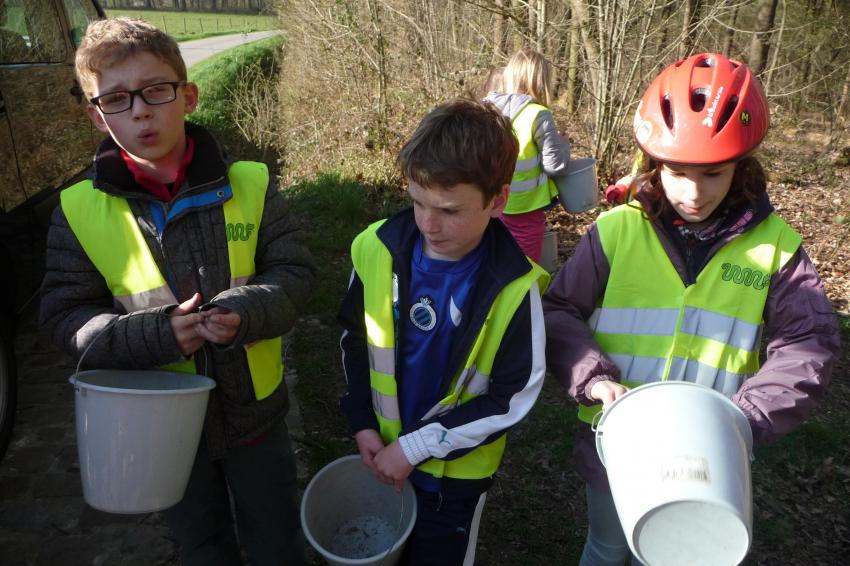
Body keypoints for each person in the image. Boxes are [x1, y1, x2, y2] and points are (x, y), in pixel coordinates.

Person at [542, 53, 839, 566]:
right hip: (618, 441)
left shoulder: (775, 248)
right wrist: (593, 379)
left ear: (741, 165)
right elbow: (559, 310)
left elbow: (809, 343)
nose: (693, 193)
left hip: (708, 456)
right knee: (608, 547)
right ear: (655, 162)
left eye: (713, 174)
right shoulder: (617, 231)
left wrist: (744, 418)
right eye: (677, 172)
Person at [39, 18, 316, 566]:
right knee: (199, 544)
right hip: (161, 428)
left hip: (254, 417)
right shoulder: (78, 212)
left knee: (277, 540)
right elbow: (65, 317)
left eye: (155, 91)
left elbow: (296, 273)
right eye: (117, 99)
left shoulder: (250, 184)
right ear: (97, 115)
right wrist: (155, 335)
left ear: (186, 96)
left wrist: (247, 311)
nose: (140, 110)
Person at [338, 98, 548, 566]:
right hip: (382, 455)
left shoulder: (514, 288)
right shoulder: (375, 249)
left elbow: (512, 398)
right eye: (418, 202)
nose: (429, 224)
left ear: (498, 201)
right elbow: (354, 339)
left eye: (450, 211)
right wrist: (361, 421)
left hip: (453, 479)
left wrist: (415, 447)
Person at [484, 47, 570, 263]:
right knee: (524, 271)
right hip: (525, 209)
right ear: (541, 81)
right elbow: (555, 166)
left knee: (493, 264)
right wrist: (563, 146)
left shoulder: (486, 108)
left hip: (489, 203)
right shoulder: (538, 114)